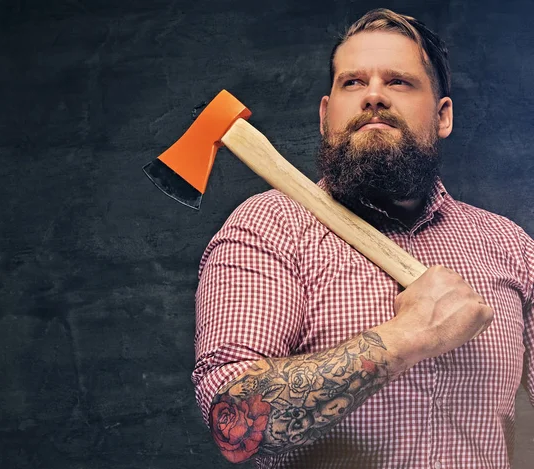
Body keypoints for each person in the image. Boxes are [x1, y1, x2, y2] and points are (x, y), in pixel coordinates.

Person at [192, 8, 534, 468]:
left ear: (443, 114)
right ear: (325, 113)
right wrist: (409, 334)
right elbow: (232, 424)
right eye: (352, 82)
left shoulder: (510, 245)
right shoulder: (267, 227)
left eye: (399, 82)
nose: (373, 96)